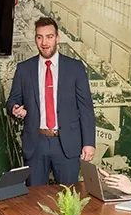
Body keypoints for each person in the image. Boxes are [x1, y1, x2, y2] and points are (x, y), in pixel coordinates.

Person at [6, 17, 96, 185]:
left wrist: (89, 143)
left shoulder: (75, 68)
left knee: (68, 199)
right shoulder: (24, 69)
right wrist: (15, 108)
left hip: (67, 145)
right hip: (36, 143)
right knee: (34, 201)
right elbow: (13, 99)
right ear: (35, 39)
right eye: (39, 37)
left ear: (57, 38)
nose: (44, 42)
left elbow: (86, 109)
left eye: (49, 36)